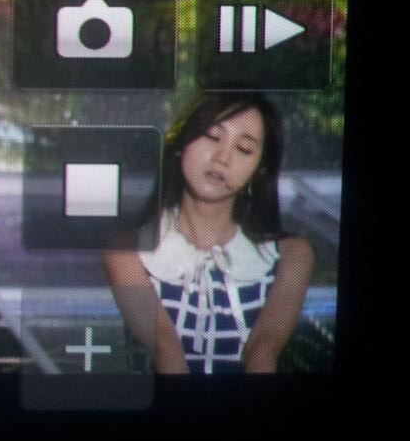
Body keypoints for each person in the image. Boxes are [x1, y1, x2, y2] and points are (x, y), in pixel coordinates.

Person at [104, 92, 314, 374]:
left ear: (260, 169)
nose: (222, 158)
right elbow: (166, 352)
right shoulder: (127, 249)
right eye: (212, 136)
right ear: (181, 143)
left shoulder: (292, 254)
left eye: (244, 149)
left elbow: (263, 353)